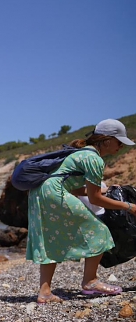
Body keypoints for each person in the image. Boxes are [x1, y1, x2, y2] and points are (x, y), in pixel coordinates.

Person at [26, 118, 136, 304]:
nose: (121, 147)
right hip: (53, 193)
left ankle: (44, 292)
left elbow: (74, 188)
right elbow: (95, 200)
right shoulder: (94, 159)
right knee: (99, 230)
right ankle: (90, 281)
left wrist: (98, 191)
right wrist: (130, 207)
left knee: (50, 239)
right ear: (107, 140)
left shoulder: (82, 153)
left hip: (40, 192)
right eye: (119, 142)